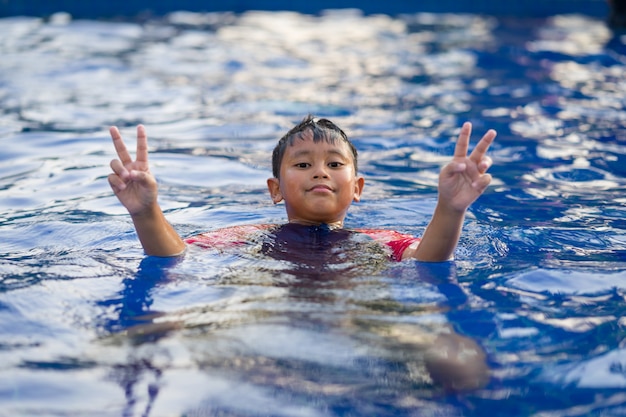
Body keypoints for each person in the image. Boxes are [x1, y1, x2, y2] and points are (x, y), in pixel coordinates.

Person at [108, 115, 495, 262]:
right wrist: (145, 212)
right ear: (275, 189)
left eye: (335, 164)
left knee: (454, 359)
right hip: (267, 314)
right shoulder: (248, 238)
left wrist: (450, 208)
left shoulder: (378, 242)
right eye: (304, 164)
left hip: (357, 317)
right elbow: (177, 256)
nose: (320, 172)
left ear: (357, 187)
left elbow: (428, 259)